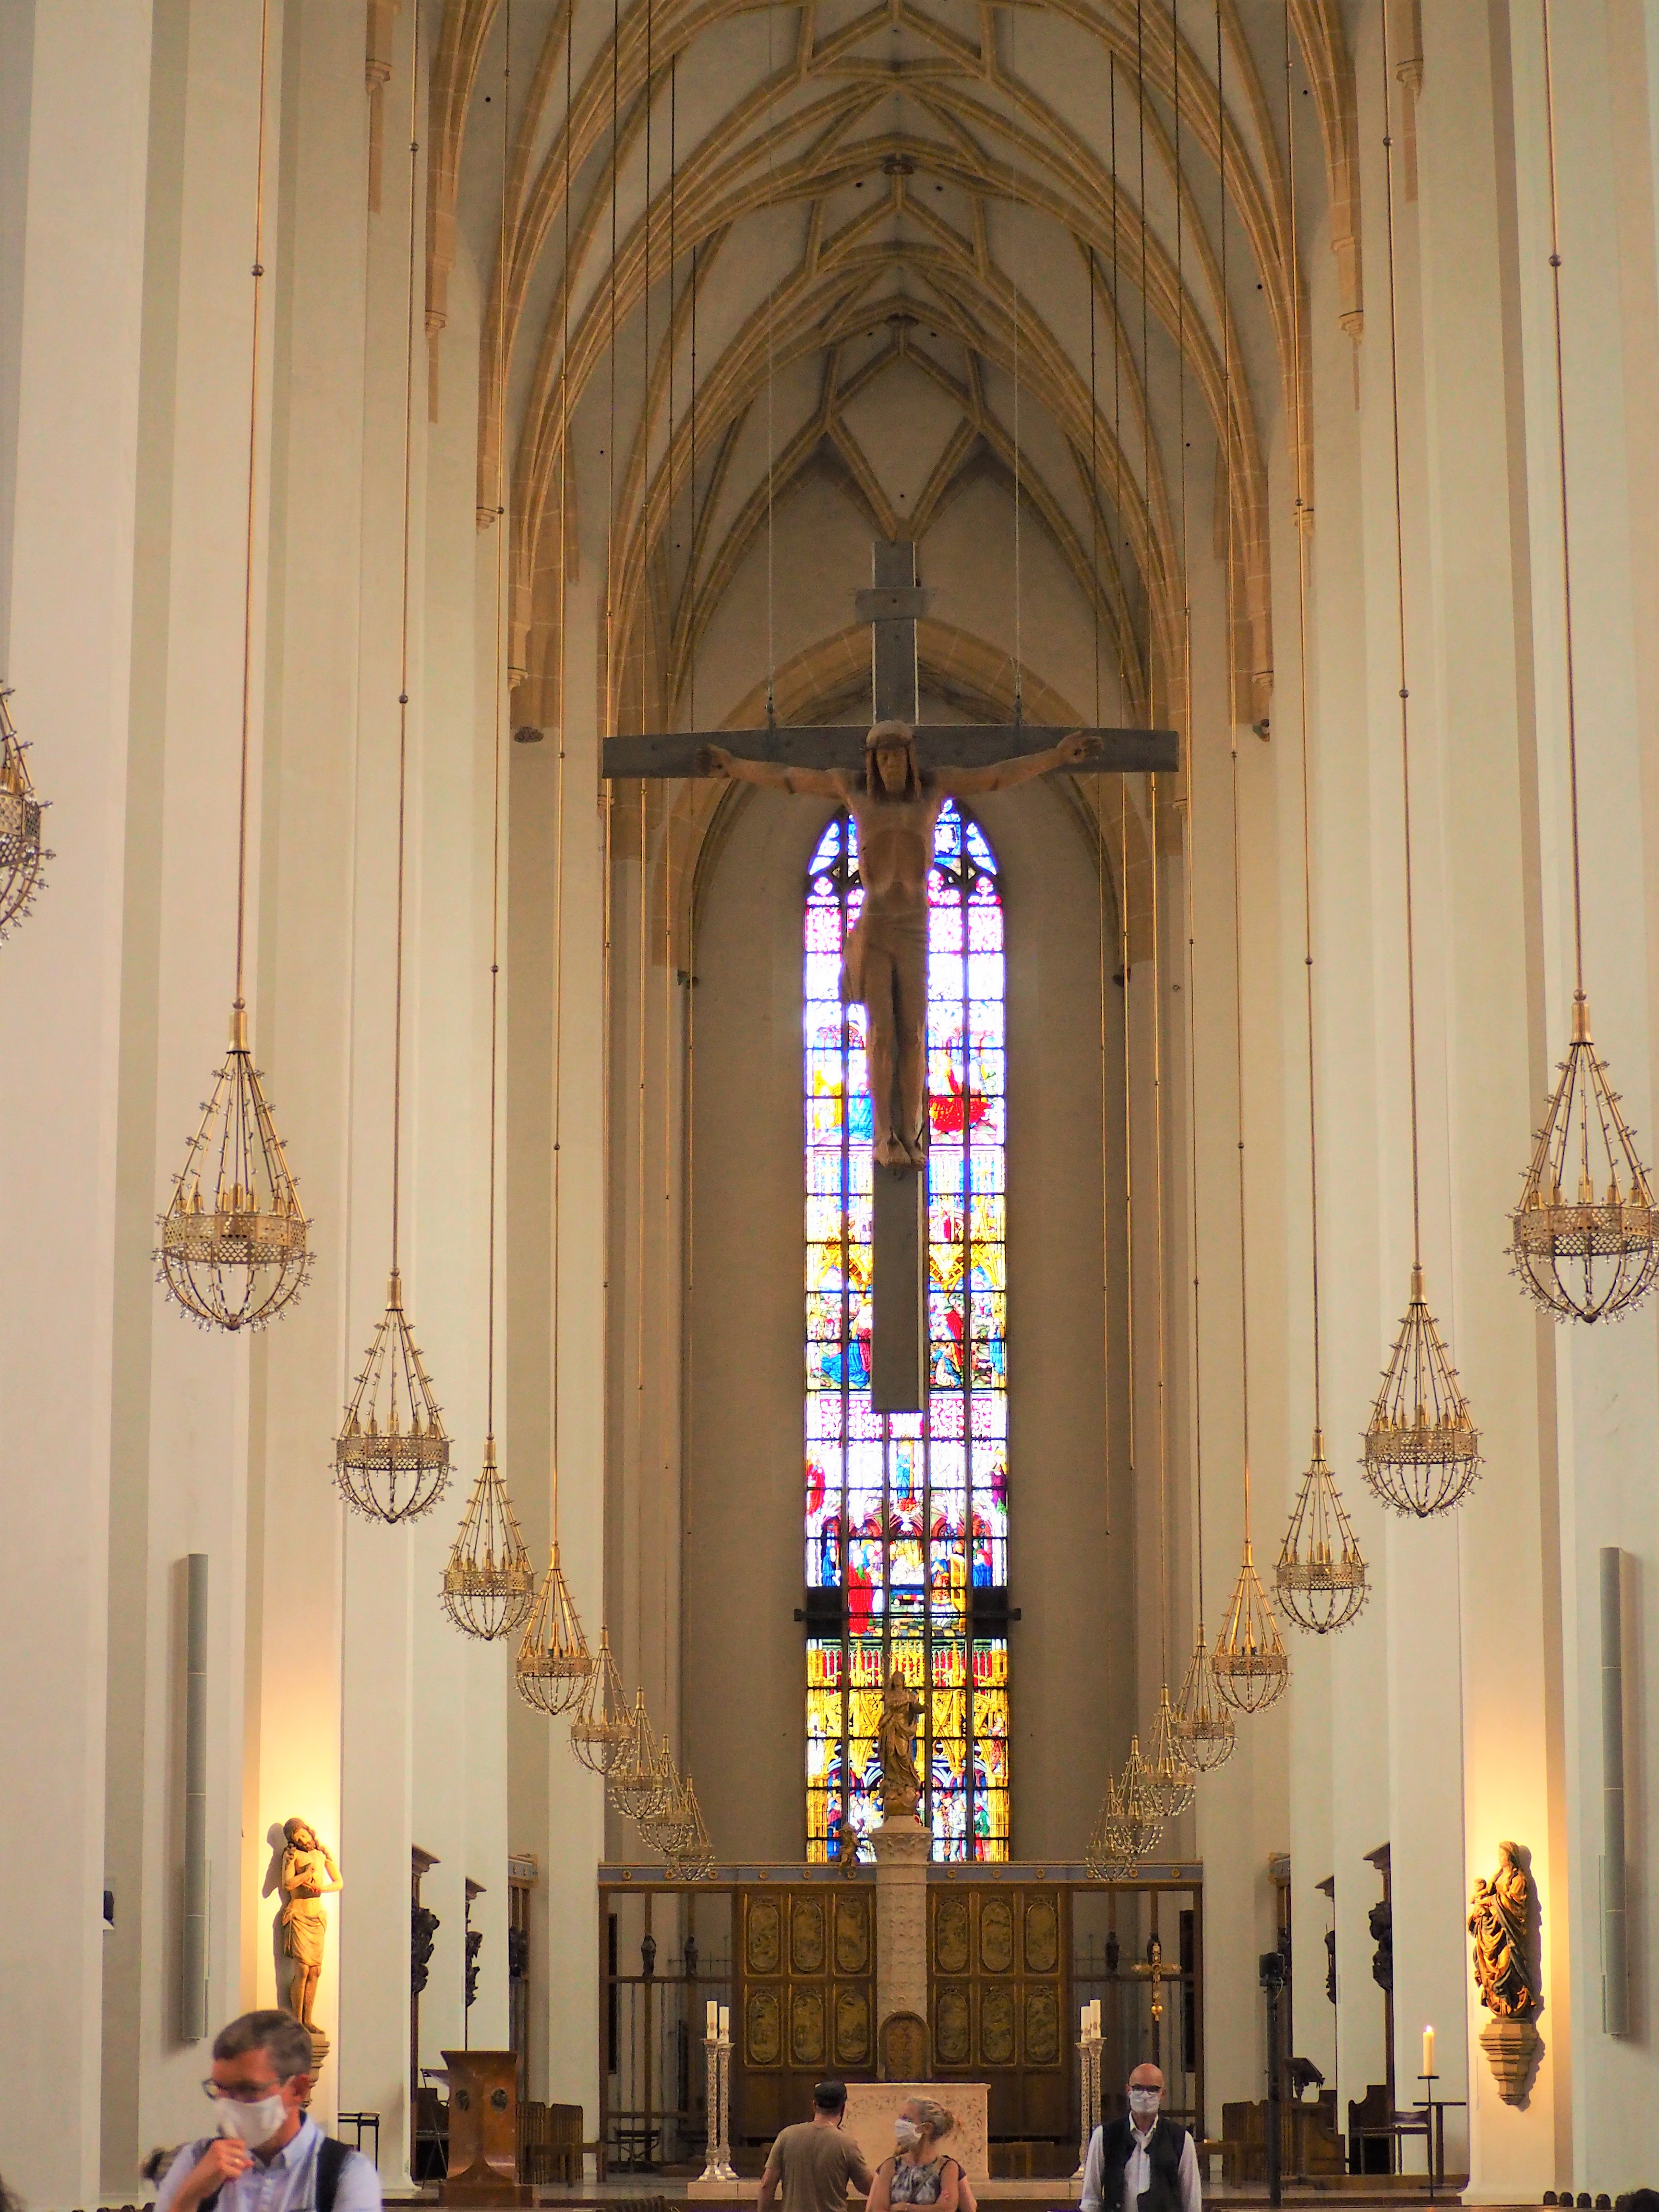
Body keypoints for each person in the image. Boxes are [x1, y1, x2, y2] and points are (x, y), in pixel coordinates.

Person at [699, 721, 1096, 1168]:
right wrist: (735, 767)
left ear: (910, 758)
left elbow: (996, 777)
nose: (889, 766)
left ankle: (911, 1132)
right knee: (882, 1032)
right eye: (881, 758)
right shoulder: (853, 792)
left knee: (914, 1032)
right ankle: (884, 1134)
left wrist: (1057, 757)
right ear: (872, 762)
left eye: (896, 757)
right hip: (874, 925)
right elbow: (789, 778)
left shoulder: (934, 791)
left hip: (915, 927)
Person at [155, 2009, 380, 2212]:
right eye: (221, 2089)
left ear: (297, 2090)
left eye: (247, 2089)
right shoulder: (195, 2160)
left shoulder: (346, 2173)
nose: (229, 2104)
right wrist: (189, 2196)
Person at [1079, 2064, 1200, 2212]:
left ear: (1163, 2094)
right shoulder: (1104, 2136)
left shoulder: (1181, 2139)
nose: (1145, 2095)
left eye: (1152, 2089)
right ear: (1128, 2091)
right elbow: (1091, 2199)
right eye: (1138, 2088)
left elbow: (1191, 2200)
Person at [758, 2079, 875, 2212]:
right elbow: (868, 2187)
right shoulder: (846, 2143)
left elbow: (767, 2184)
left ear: (814, 2106)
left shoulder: (787, 2135)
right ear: (843, 2108)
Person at [866, 2097, 964, 2212]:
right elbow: (878, 2209)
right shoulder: (891, 2166)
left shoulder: (947, 2167)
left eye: (907, 2120)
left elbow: (946, 2209)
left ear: (927, 2128)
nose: (900, 2124)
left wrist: (904, 2208)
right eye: (901, 2118)